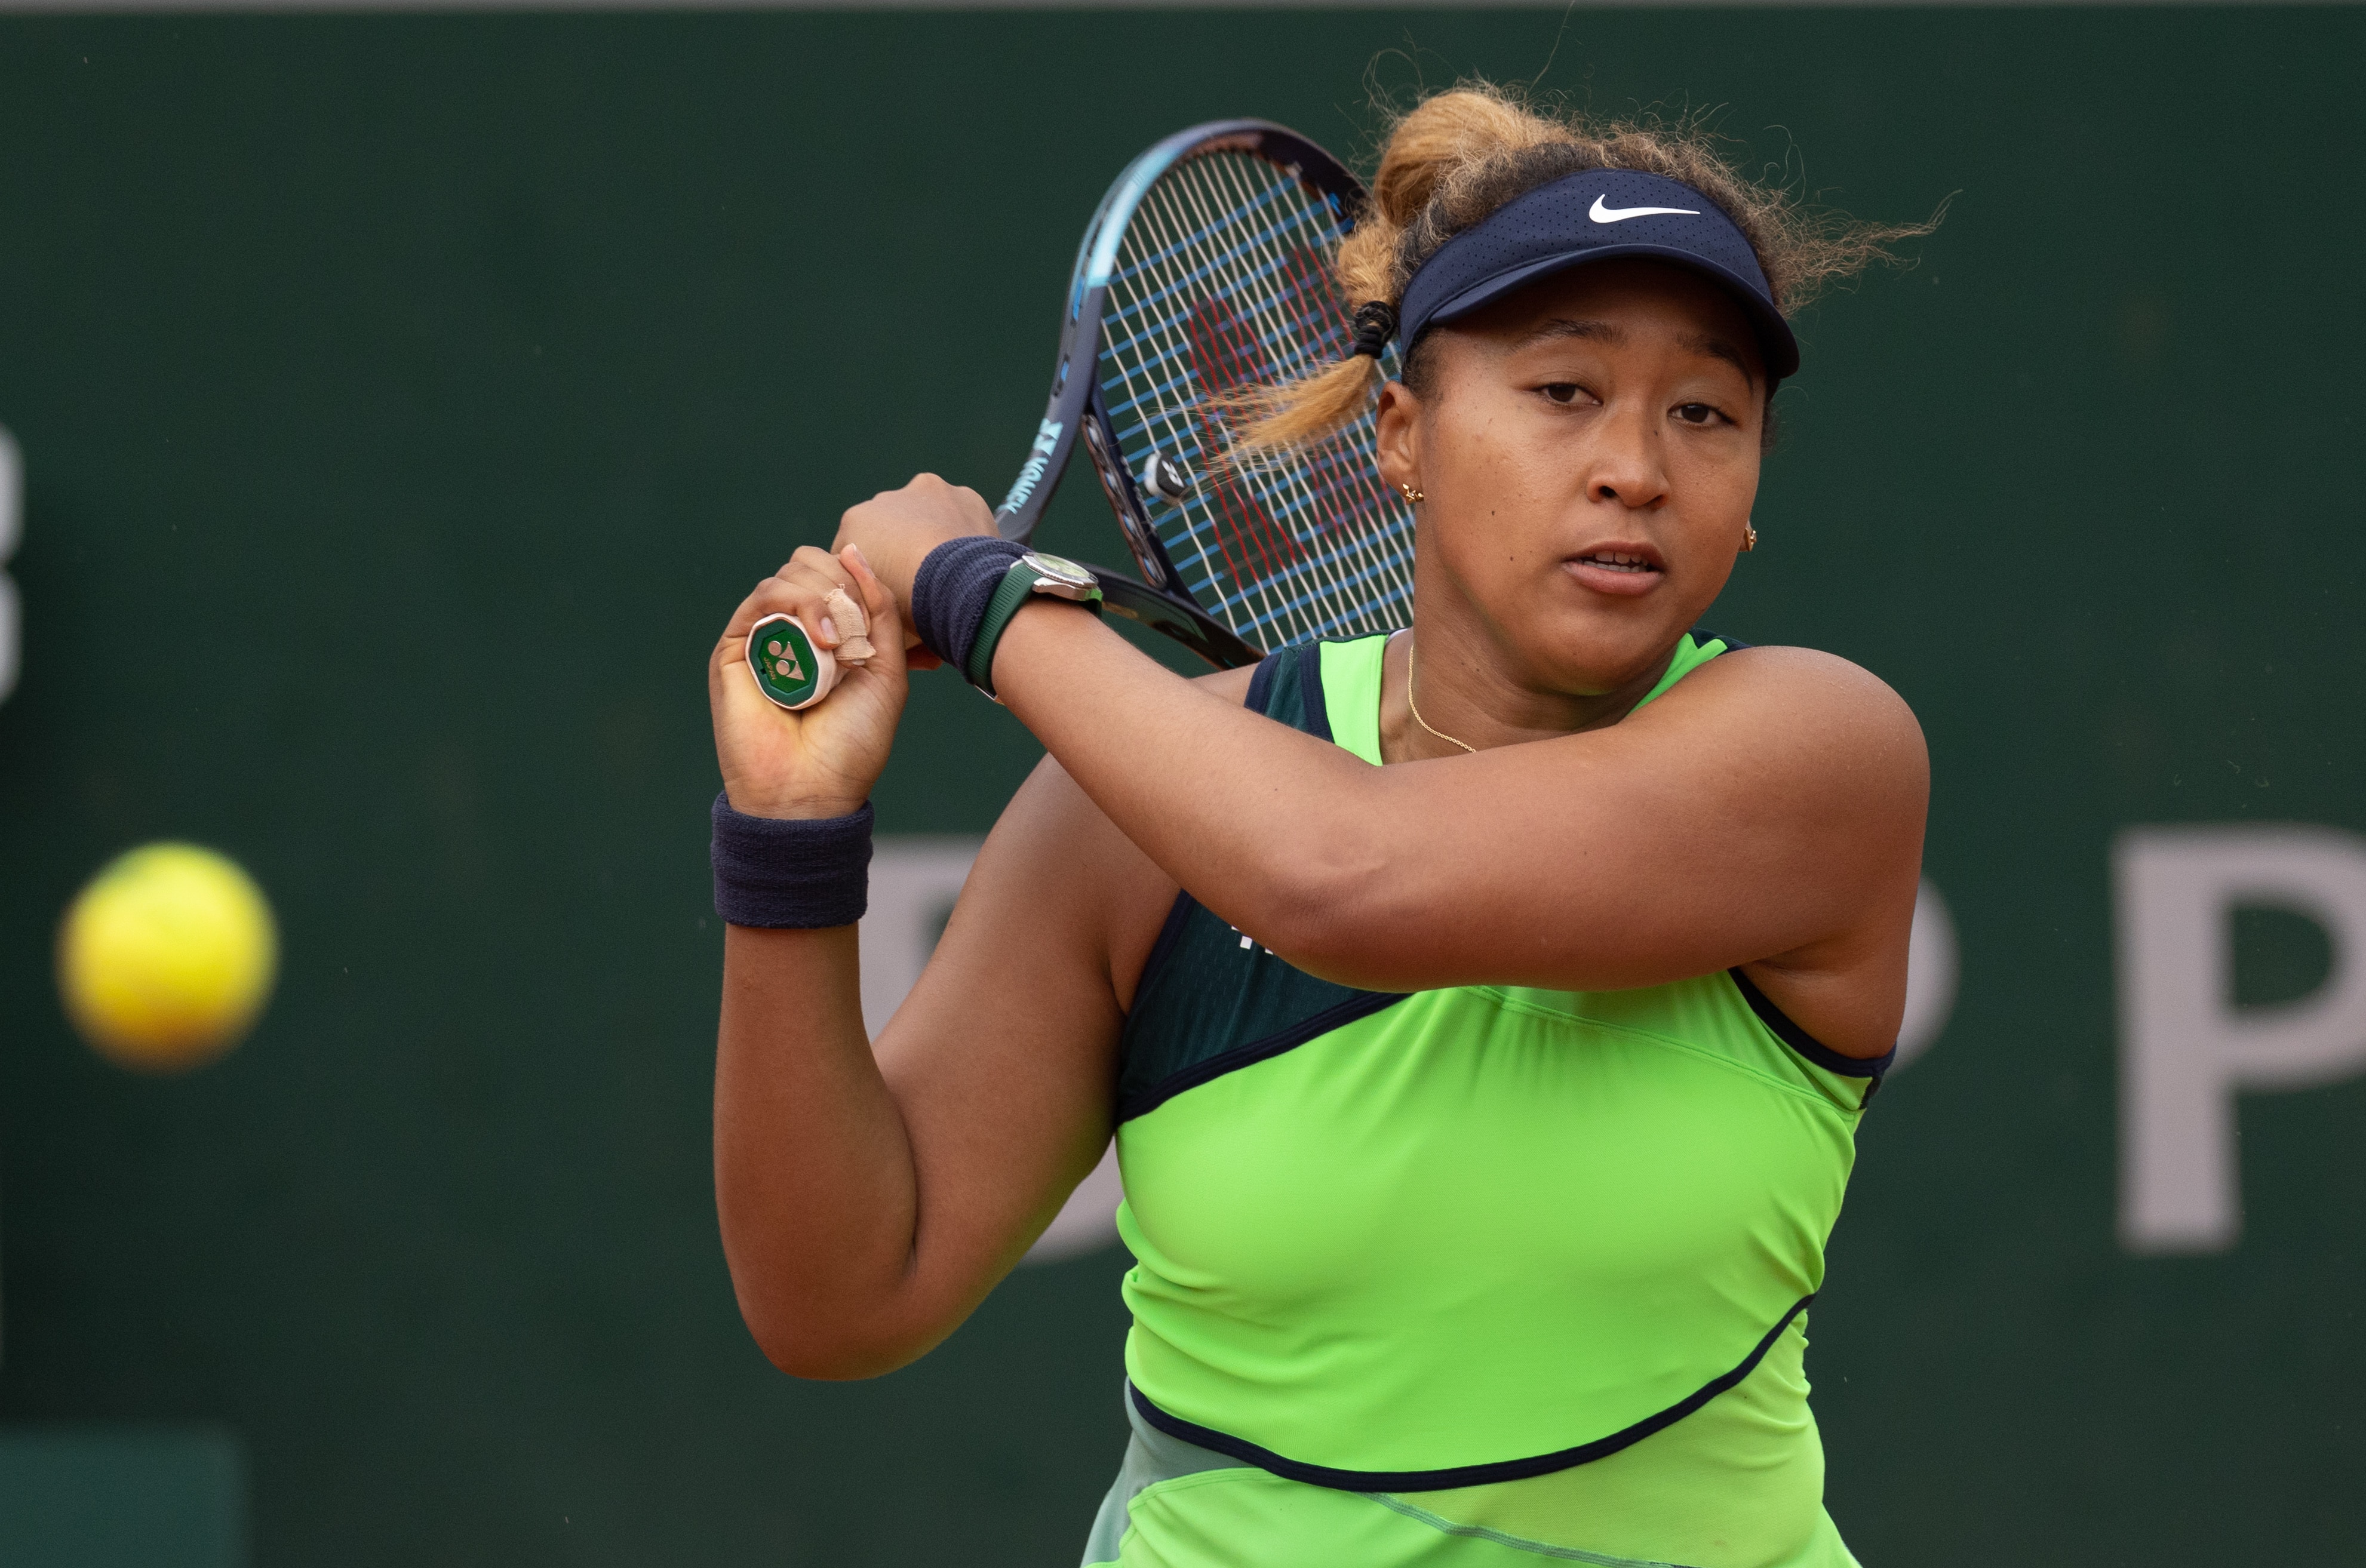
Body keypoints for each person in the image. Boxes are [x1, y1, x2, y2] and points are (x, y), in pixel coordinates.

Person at [707, 83, 1934, 1568]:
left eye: (1704, 411)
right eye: (1563, 390)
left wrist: (980, 593)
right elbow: (845, 1293)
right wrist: (790, 835)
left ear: (1748, 499)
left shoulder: (1822, 753)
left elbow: (1348, 876)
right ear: (1403, 437)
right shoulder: (1143, 814)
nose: (1635, 464)